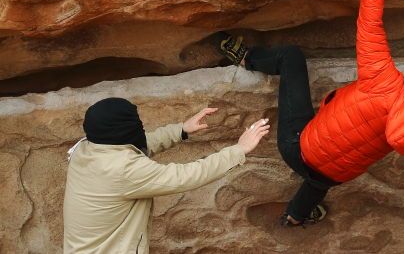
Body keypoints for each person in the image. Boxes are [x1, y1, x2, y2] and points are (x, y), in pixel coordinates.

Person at [218, 0, 404, 227]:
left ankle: (246, 58)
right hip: (335, 175)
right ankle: (296, 216)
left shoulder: (383, 81)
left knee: (291, 57)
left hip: (299, 145)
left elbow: (370, 23)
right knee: (321, 177)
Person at [63, 97, 269, 253]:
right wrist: (239, 150)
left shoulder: (87, 147)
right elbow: (187, 175)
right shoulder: (124, 171)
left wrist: (181, 130)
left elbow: (131, 147)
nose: (140, 127)